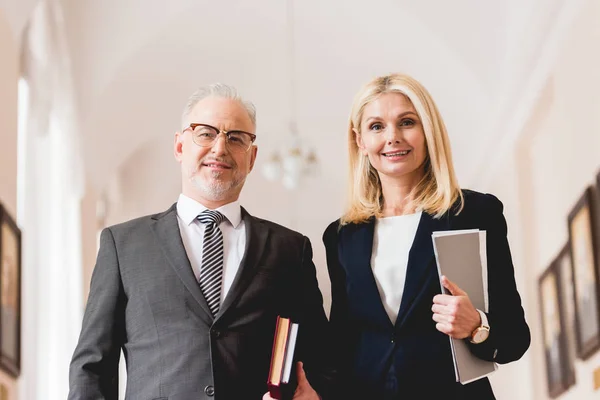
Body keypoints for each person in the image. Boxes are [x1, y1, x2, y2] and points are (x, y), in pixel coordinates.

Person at [69, 84, 334, 400]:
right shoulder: (123, 244)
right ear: (180, 146)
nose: (220, 148)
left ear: (252, 157)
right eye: (206, 133)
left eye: (236, 138)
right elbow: (92, 367)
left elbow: (322, 360)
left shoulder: (290, 249)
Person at [323, 73, 530, 399]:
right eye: (376, 126)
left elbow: (515, 338)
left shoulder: (475, 212)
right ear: (360, 141)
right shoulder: (341, 235)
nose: (392, 137)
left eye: (407, 122)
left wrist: (476, 325)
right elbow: (341, 344)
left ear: (428, 131)